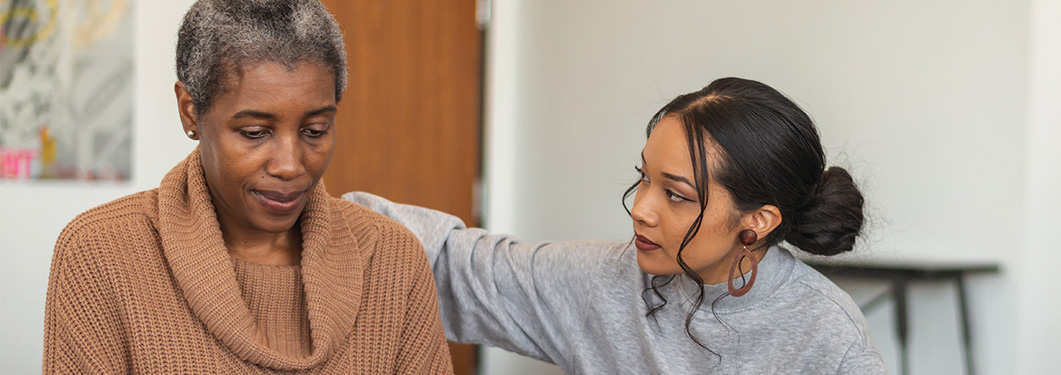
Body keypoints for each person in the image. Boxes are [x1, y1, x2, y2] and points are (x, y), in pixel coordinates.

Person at [346, 77, 888, 374]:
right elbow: (454, 263)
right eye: (644, 179)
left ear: (758, 221)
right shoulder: (606, 282)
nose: (641, 209)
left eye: (676, 195)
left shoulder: (829, 340)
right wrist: (310, 210)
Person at [42, 0, 453, 373]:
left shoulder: (393, 260)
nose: (291, 165)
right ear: (190, 111)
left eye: (315, 130)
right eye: (256, 132)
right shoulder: (102, 253)